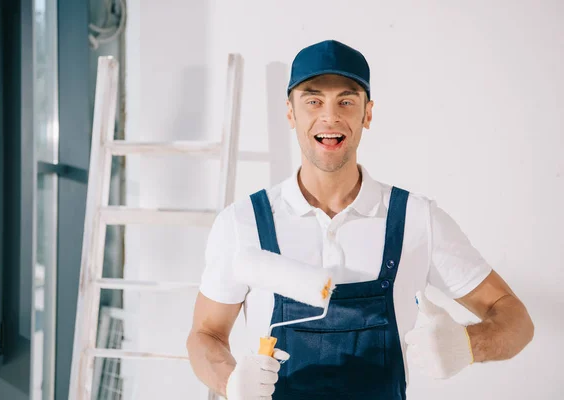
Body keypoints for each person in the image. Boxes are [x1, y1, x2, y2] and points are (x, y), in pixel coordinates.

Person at [186, 39, 534, 399]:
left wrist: (469, 345)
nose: (330, 117)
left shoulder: (416, 219)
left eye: (346, 102)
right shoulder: (243, 224)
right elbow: (205, 335)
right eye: (313, 101)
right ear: (290, 113)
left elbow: (517, 321)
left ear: (368, 114)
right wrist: (229, 380)